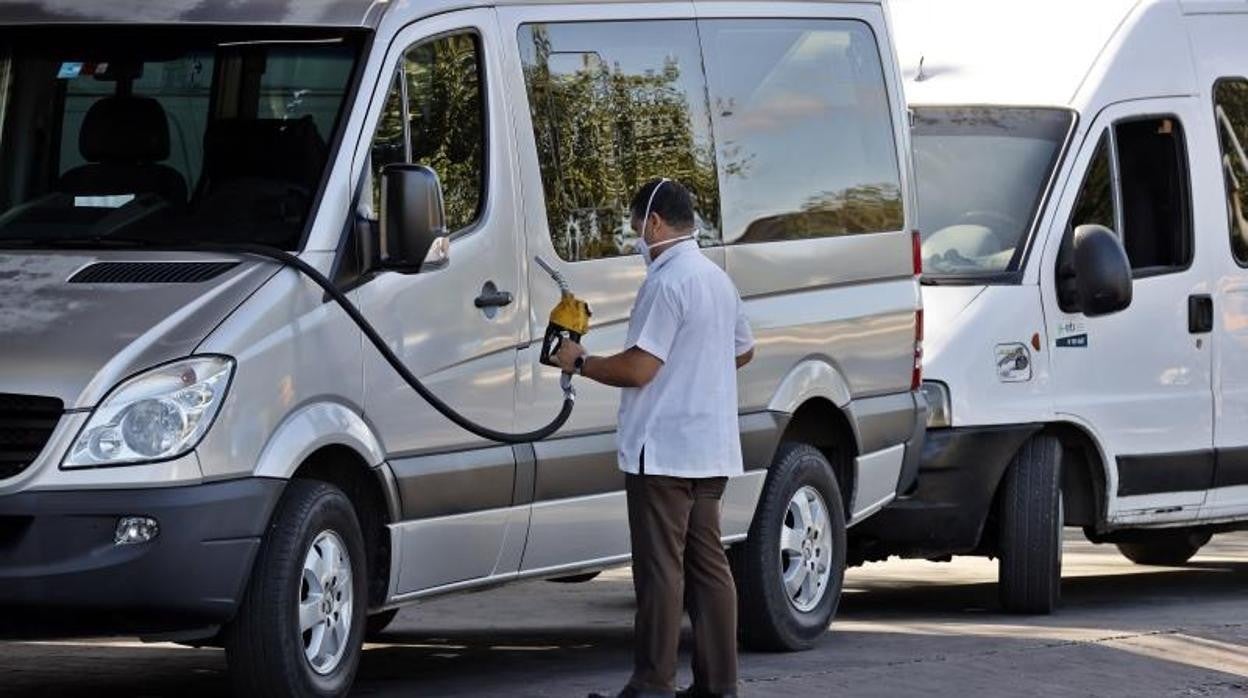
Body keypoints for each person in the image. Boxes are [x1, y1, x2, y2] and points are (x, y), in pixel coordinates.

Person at [554, 178, 755, 698]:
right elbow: (743, 350)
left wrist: (583, 361)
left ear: (657, 223)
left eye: (636, 224)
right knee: (710, 567)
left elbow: (641, 368)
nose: (635, 235)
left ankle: (652, 684)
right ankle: (720, 685)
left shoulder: (667, 283)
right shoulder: (717, 279)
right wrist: (696, 365)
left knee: (661, 571)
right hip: (710, 449)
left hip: (663, 451)